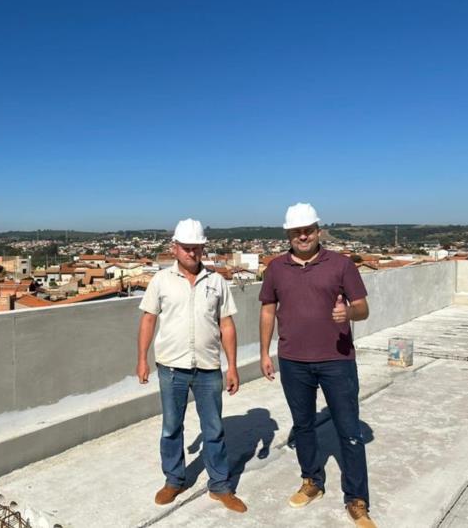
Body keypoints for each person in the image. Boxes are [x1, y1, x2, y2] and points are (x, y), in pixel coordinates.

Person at [259, 203, 375, 528]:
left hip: (337, 361)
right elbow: (268, 310)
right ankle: (312, 481)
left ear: (318, 230)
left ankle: (356, 500)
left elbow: (363, 308)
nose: (303, 235)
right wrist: (265, 353)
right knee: (304, 426)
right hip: (293, 361)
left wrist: (348, 314)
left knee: (349, 432)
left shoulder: (340, 265)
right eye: (297, 231)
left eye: (308, 229)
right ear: (288, 234)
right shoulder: (276, 268)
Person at [137, 218, 246, 513]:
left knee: (214, 428)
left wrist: (232, 366)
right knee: (171, 427)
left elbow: (227, 325)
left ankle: (220, 486)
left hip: (209, 368)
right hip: (171, 368)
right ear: (175, 248)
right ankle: (174, 480)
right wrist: (142, 360)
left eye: (197, 248)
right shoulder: (160, 281)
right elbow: (148, 319)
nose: (192, 254)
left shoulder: (216, 282)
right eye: (187, 248)